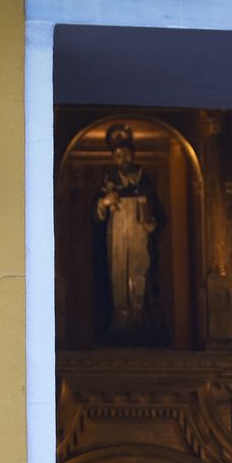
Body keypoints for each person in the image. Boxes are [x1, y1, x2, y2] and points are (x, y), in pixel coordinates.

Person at [95, 123, 161, 339]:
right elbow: (95, 215)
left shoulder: (146, 182)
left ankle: (139, 314)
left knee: (140, 269)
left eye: (126, 154)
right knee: (118, 271)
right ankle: (121, 316)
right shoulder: (109, 183)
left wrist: (150, 220)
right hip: (117, 235)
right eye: (118, 155)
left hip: (140, 234)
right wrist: (104, 203)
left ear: (133, 155)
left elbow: (159, 215)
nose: (122, 159)